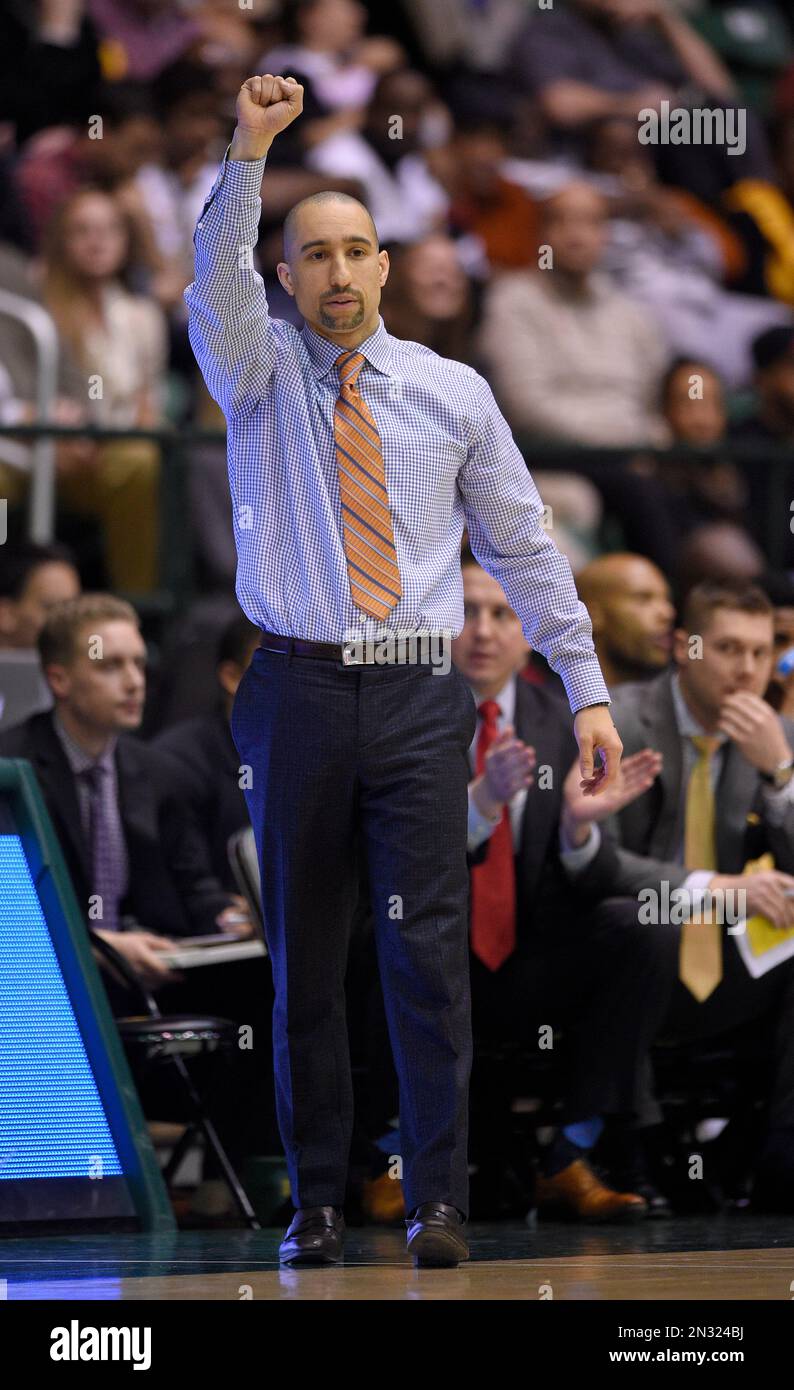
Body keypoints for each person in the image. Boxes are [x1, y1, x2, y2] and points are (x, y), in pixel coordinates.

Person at [184, 72, 622, 1269]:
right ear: (287, 276)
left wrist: (583, 685)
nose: (334, 273)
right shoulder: (254, 372)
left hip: (422, 690)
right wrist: (248, 151)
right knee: (307, 965)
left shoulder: (451, 391)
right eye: (311, 254)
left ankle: (437, 1199)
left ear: (384, 268)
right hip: (298, 687)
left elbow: (524, 544)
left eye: (355, 252)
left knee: (424, 961)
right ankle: (315, 1203)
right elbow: (209, 286)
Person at [563, 580, 794, 1211]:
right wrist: (717, 890)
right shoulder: (622, 720)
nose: (746, 668)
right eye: (725, 648)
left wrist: (781, 776)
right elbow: (595, 864)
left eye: (760, 651)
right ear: (681, 647)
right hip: (624, 955)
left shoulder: (778, 737)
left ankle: (774, 1157)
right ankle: (625, 1143)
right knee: (649, 922)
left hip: (725, 967)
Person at [455, 550, 671, 1219]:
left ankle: (571, 1153)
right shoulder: (404, 715)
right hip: (436, 952)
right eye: (465, 612)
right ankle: (389, 1155)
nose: (484, 630)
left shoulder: (566, 721)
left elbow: (581, 877)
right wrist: (478, 807)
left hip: (531, 950)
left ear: (529, 632)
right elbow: (381, 859)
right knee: (379, 930)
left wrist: (579, 829)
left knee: (645, 925)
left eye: (502, 613)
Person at [0, 594, 248, 992]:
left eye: (138, 662)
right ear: (59, 678)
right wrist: (96, 945)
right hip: (34, 983)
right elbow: (12, 908)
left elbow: (194, 888)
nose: (134, 682)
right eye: (109, 666)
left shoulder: (159, 771)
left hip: (140, 980)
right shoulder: (12, 768)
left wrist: (231, 917)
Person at [152, 612, 259, 891]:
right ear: (232, 677)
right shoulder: (176, 760)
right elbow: (187, 885)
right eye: (274, 667)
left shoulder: (318, 757)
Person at [575, 553, 675, 689]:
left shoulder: (676, 701)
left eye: (666, 599)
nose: (667, 613)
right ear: (591, 615)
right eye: (643, 599)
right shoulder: (548, 707)